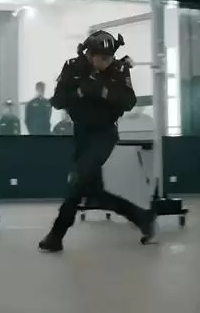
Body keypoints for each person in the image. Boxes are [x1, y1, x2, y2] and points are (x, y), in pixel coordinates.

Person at [38, 30, 156, 253]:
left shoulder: (118, 69)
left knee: (79, 180)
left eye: (109, 58)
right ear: (90, 55)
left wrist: (103, 91)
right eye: (102, 58)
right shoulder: (73, 67)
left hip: (104, 133)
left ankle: (56, 234)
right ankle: (142, 218)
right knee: (93, 193)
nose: (106, 62)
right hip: (81, 133)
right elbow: (57, 101)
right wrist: (80, 92)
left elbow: (129, 102)